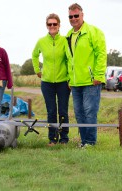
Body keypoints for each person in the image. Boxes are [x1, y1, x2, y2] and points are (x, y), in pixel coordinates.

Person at [66, 3, 107, 147]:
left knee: (90, 112)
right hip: (75, 83)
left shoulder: (94, 32)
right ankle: (83, 142)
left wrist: (98, 75)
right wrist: (70, 79)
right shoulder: (69, 35)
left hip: (91, 81)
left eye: (76, 15)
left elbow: (101, 55)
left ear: (82, 15)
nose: (73, 18)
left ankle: (90, 142)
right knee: (79, 113)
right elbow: (69, 60)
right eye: (71, 16)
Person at [32, 13, 70, 146]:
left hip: (63, 82)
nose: (52, 26)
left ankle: (64, 138)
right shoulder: (41, 41)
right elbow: (34, 55)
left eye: (55, 24)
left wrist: (70, 78)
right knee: (51, 111)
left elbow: (69, 59)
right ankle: (52, 139)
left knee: (63, 110)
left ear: (59, 25)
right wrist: (37, 69)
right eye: (50, 24)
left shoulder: (65, 40)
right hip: (47, 82)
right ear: (46, 26)